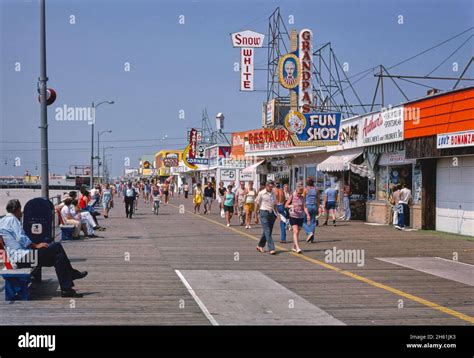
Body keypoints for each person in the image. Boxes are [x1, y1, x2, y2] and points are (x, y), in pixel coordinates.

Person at [0, 199, 88, 297]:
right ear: (17, 209)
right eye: (20, 210)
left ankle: (67, 289)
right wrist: (35, 245)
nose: (21, 212)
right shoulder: (12, 220)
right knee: (56, 246)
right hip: (22, 257)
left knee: (58, 257)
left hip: (19, 257)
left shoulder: (3, 220)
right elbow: (21, 238)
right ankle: (71, 276)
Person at [255, 180, 278, 255]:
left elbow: (274, 204)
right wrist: (255, 216)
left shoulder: (273, 193)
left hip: (272, 213)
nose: (271, 188)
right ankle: (272, 248)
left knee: (267, 231)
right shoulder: (261, 193)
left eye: (272, 187)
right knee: (267, 230)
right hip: (263, 212)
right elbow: (257, 204)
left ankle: (259, 245)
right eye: (270, 187)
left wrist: (277, 214)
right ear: (266, 185)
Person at [285, 182, 306, 253]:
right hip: (293, 216)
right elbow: (286, 205)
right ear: (296, 191)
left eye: (301, 193)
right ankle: (297, 248)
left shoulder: (302, 197)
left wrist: (307, 214)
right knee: (295, 231)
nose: (300, 194)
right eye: (299, 193)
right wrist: (290, 206)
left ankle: (294, 246)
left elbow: (303, 207)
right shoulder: (292, 196)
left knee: (297, 233)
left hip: (300, 216)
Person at [303, 177, 319, 243]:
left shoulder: (306, 189)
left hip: (307, 206)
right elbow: (318, 200)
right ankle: (311, 239)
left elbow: (303, 199)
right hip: (314, 206)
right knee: (313, 222)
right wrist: (318, 208)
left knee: (303, 222)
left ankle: (309, 232)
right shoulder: (316, 189)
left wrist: (303, 207)